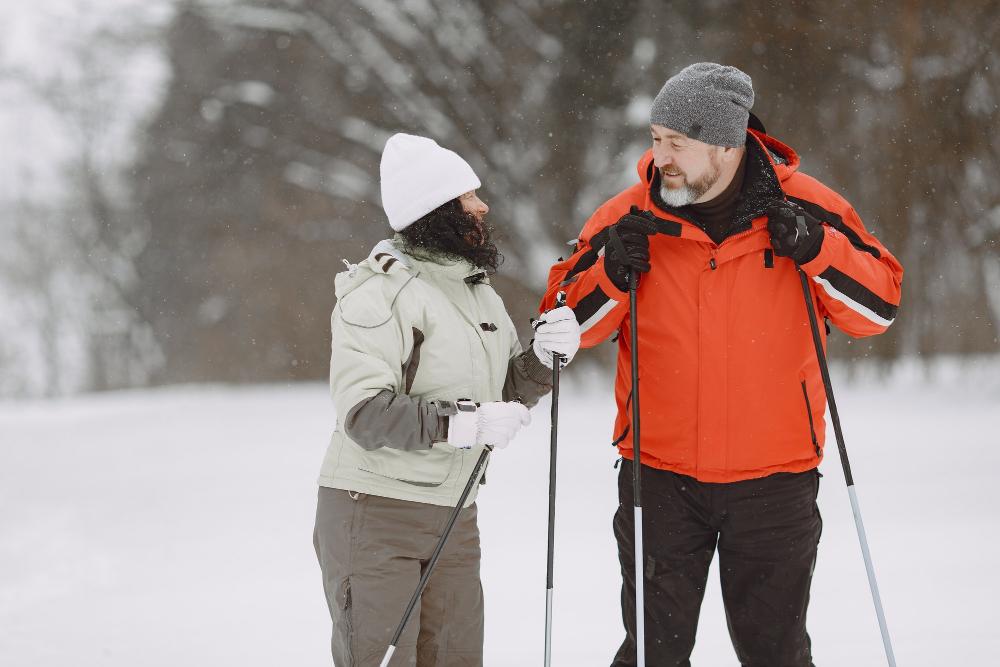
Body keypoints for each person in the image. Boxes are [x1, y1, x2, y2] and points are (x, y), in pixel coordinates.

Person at [540, 63, 903, 666]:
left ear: (728, 145)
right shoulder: (626, 219)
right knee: (653, 655)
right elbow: (557, 332)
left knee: (777, 655)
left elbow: (880, 309)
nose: (662, 158)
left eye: (678, 143)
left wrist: (815, 249)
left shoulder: (810, 207)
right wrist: (609, 274)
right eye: (656, 139)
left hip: (775, 481)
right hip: (658, 479)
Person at [313, 132, 580, 666]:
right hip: (375, 515)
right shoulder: (380, 291)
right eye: (468, 197)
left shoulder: (475, 289)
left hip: (455, 515)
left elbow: (501, 392)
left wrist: (547, 359)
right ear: (437, 211)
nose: (482, 206)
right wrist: (467, 425)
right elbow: (364, 413)